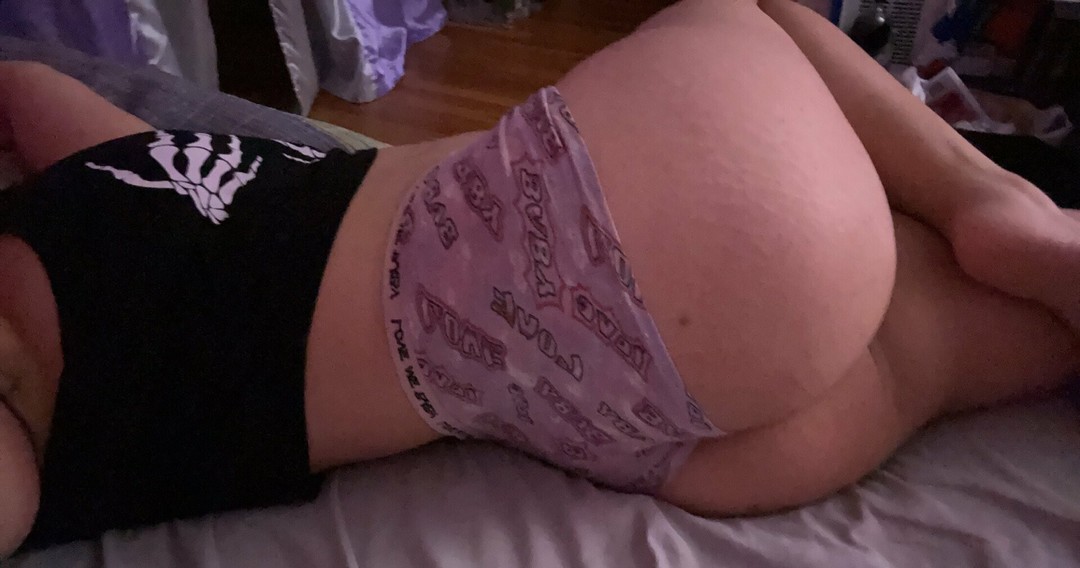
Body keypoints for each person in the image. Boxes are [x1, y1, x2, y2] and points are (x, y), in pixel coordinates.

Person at [2, 0, 1078, 556]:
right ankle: (991, 199)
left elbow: (35, 91)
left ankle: (1006, 238)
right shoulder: (38, 416)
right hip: (568, 235)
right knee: (746, 13)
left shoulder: (84, 191)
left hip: (615, 422)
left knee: (924, 337)